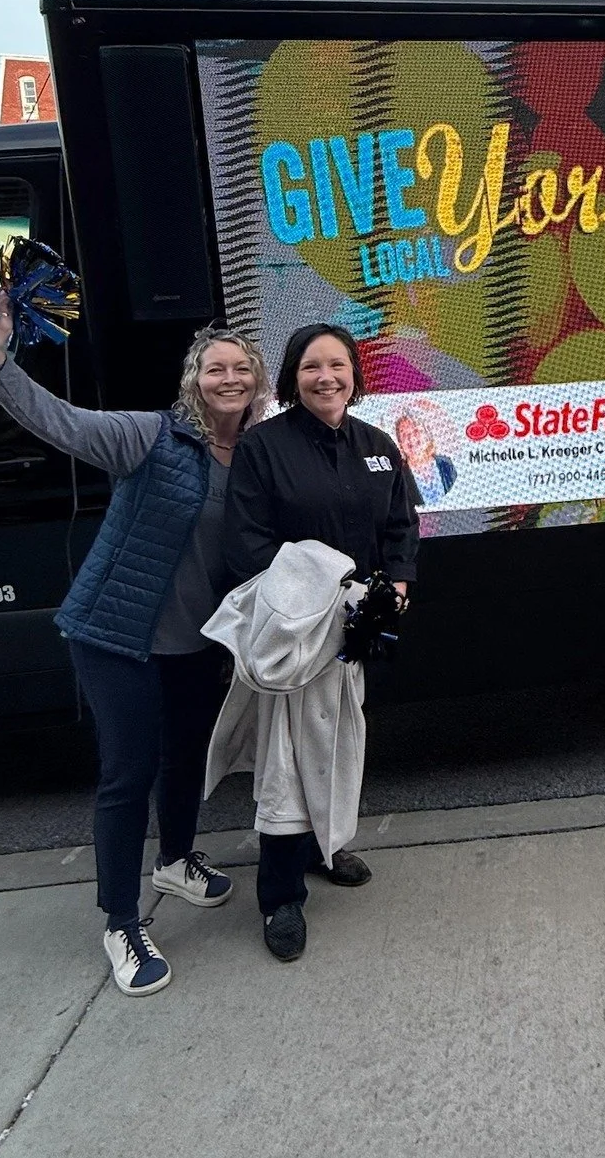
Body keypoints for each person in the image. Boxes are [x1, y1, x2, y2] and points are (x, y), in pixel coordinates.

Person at [0, 296, 271, 996]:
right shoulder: (150, 437)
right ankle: (121, 921)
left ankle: (175, 859)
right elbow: (59, 421)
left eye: (241, 368)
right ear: (194, 380)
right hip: (116, 634)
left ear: (256, 382)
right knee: (128, 774)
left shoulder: (255, 457)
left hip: (195, 641)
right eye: (215, 367)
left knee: (188, 756)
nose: (229, 378)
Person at [225, 322, 420, 961]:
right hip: (293, 633)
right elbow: (247, 544)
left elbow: (400, 526)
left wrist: (394, 588)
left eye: (338, 365)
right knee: (286, 761)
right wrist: (315, 598)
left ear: (355, 375)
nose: (326, 377)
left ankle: (325, 848)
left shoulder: (377, 446)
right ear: (293, 376)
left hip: (355, 629)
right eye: (312, 366)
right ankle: (280, 896)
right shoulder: (262, 448)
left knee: (337, 743)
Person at [394, 406, 456, 503]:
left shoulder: (446, 465)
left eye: (416, 431)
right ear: (400, 444)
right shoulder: (398, 477)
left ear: (427, 435)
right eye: (404, 435)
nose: (412, 438)